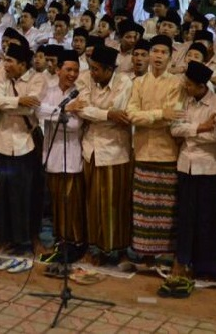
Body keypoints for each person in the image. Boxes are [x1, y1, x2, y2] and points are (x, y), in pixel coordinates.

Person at [163, 61, 216, 297]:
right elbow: (174, 130)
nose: (185, 87)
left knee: (207, 219)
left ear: (201, 85)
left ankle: (207, 266)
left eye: (188, 84)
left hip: (209, 168)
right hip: (185, 166)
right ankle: (183, 261)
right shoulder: (185, 101)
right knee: (186, 218)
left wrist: (191, 130)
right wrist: (200, 128)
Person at [71, 44, 134, 265]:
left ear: (109, 70)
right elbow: (80, 108)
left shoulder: (124, 82)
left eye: (97, 69)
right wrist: (107, 113)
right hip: (91, 150)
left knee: (115, 204)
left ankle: (117, 249)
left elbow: (121, 112)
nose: (93, 73)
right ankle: (95, 248)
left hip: (115, 152)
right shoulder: (87, 78)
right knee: (92, 202)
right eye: (91, 68)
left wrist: (98, 113)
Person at [127, 34, 182, 260]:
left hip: (167, 152)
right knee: (144, 210)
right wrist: (158, 114)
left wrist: (148, 117)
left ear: (170, 57)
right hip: (142, 151)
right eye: (155, 51)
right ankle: (144, 256)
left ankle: (165, 256)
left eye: (163, 52)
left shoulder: (176, 83)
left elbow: (173, 116)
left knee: (165, 210)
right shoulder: (138, 83)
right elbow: (131, 115)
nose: (158, 56)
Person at [0, 44, 47, 253]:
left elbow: (31, 106)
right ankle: (6, 237)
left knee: (30, 193)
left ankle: (32, 238)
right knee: (3, 194)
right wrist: (18, 100)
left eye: (10, 61)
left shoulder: (37, 79)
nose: (6, 65)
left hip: (27, 144)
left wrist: (12, 104)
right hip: (2, 143)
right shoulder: (1, 78)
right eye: (5, 60)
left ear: (22, 65)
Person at [39, 49, 85, 255]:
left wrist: (53, 113)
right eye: (68, 69)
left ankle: (74, 243)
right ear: (58, 70)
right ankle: (59, 241)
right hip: (51, 155)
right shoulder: (48, 91)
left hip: (72, 157)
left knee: (71, 204)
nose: (72, 74)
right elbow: (38, 111)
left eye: (76, 70)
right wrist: (65, 110)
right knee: (56, 203)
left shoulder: (81, 94)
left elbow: (75, 125)